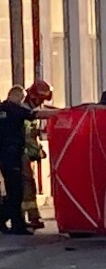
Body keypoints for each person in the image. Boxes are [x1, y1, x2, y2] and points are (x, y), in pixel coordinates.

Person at [0, 86, 58, 235]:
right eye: (21, 98)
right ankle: (16, 225)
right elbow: (35, 114)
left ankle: (8, 222)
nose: (22, 101)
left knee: (12, 190)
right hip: (13, 155)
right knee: (16, 192)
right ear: (16, 96)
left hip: (4, 156)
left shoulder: (2, 108)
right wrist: (60, 113)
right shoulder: (15, 109)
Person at [21, 81, 55, 230]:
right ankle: (28, 217)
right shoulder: (23, 111)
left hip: (27, 155)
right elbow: (26, 137)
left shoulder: (30, 109)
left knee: (27, 186)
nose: (40, 103)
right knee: (26, 186)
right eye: (40, 99)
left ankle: (29, 217)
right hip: (21, 154)